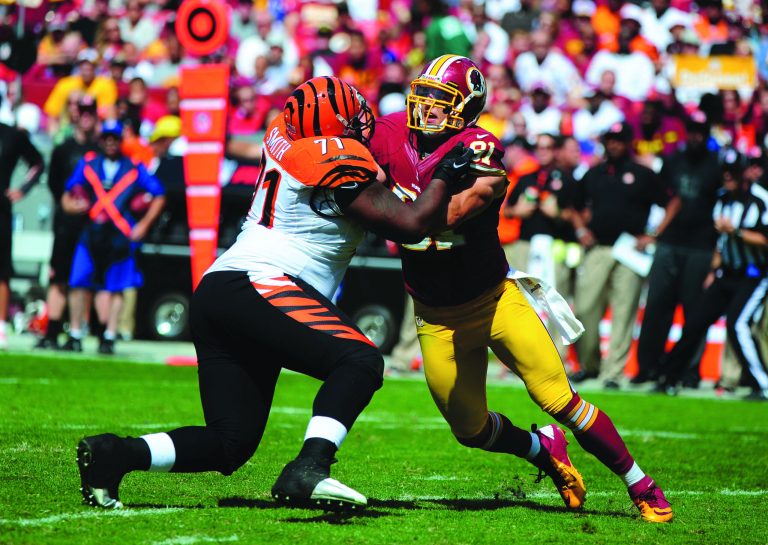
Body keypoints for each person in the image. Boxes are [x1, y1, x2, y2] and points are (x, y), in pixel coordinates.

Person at [75, 77, 474, 511]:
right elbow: (411, 223)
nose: (365, 122)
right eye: (354, 116)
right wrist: (443, 179)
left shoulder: (285, 134)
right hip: (263, 281)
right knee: (359, 359)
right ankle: (311, 466)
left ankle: (115, 454)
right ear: (333, 129)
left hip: (221, 287)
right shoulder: (334, 161)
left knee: (231, 443)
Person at [369, 55, 672, 523]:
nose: (426, 109)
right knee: (468, 430)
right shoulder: (389, 134)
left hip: (494, 301)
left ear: (466, 108)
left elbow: (449, 213)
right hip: (435, 315)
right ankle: (541, 449)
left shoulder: (479, 146)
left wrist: (410, 192)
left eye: (440, 101)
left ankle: (640, 483)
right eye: (423, 97)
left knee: (559, 399)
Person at [569, 121, 680, 389]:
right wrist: (580, 228)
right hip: (598, 248)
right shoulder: (593, 173)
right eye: (610, 139)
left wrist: (653, 234)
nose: (614, 143)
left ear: (628, 142)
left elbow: (673, 202)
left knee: (624, 310)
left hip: (630, 250)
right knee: (584, 308)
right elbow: (572, 204)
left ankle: (613, 372)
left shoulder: (642, 174)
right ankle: (590, 364)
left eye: (619, 139)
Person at [656, 150, 768, 400]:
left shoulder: (761, 200)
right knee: (695, 322)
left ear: (745, 172)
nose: (728, 176)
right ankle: (669, 378)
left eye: (733, 171)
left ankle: (763, 383)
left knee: (737, 325)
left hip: (753, 275)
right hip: (725, 272)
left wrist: (736, 231)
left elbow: (764, 240)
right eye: (725, 171)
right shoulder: (722, 199)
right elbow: (721, 244)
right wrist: (712, 271)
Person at [61, 120, 166, 355]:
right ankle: (76, 332)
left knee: (117, 286)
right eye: (106, 137)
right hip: (92, 232)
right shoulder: (88, 164)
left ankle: (109, 335)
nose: (110, 142)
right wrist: (71, 205)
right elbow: (69, 191)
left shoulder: (134, 167)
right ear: (101, 140)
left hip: (119, 234)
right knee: (78, 281)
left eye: (114, 138)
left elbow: (159, 194)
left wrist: (143, 224)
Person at [633, 113, 722, 385]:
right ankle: (647, 367)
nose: (694, 136)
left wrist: (715, 255)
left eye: (700, 132)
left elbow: (721, 210)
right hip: (669, 243)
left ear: (706, 135)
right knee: (657, 305)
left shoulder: (716, 167)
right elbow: (659, 199)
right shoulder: (672, 162)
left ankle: (688, 370)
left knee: (694, 311)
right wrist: (653, 233)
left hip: (700, 246)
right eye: (691, 131)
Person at [36, 95, 101, 350]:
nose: (86, 116)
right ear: (75, 114)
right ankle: (51, 331)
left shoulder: (99, 150)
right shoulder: (64, 149)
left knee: (83, 280)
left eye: (90, 111)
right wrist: (68, 205)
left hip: (90, 226)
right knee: (58, 277)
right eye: (82, 111)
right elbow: (54, 185)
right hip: (65, 224)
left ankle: (79, 332)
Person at [0, 100, 45, 349]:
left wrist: (22, 190)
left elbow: (37, 162)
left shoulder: (10, 135)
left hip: (1, 209)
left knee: (2, 270)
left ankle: (1, 327)